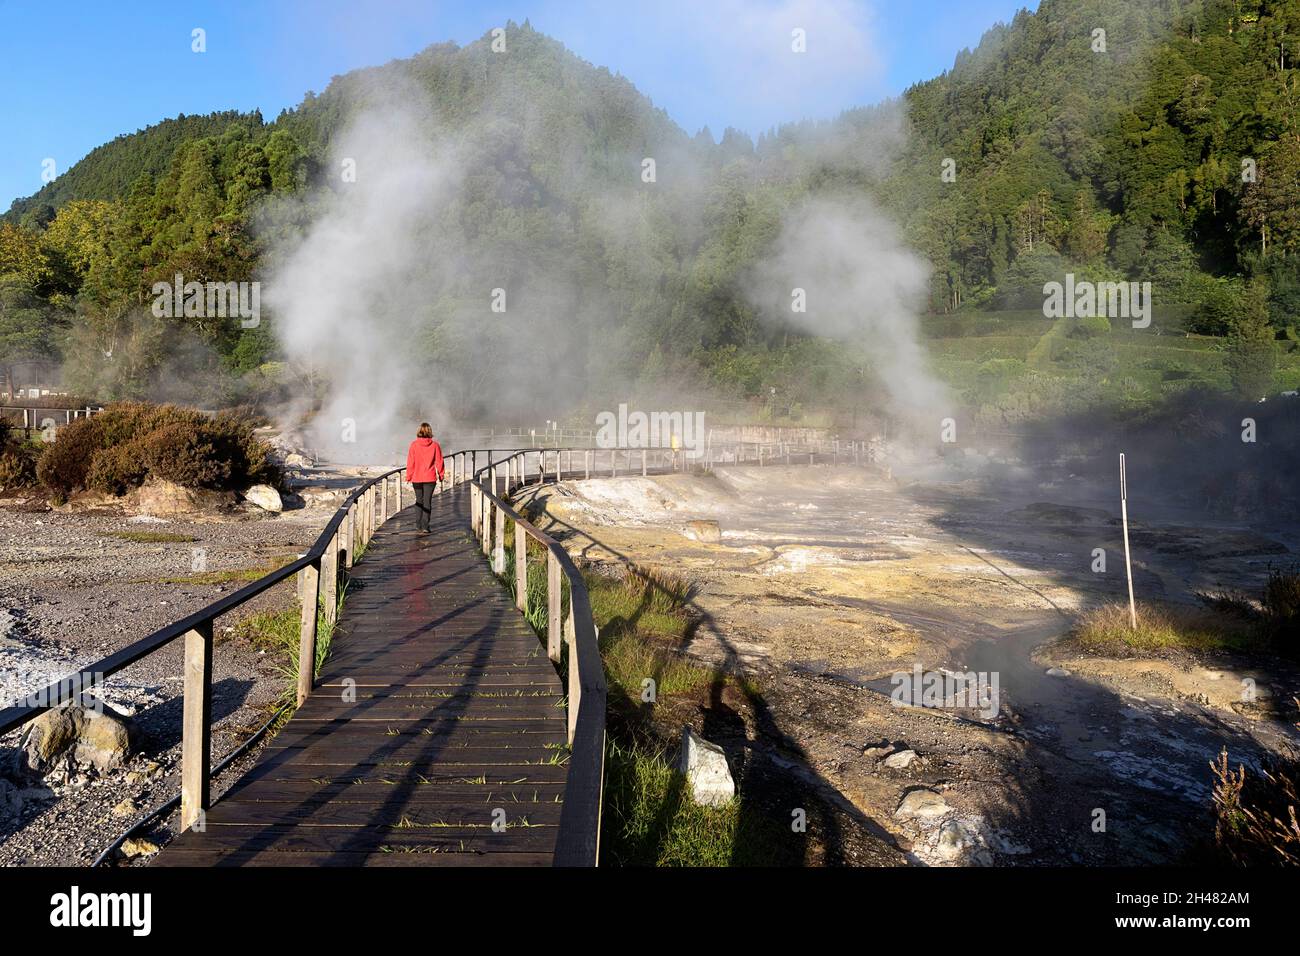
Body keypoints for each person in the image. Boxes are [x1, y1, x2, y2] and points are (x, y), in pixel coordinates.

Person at [405, 423, 445, 532]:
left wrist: (408, 476)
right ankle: (425, 526)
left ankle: (418, 525)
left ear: (419, 431)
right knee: (427, 501)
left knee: (419, 500)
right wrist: (441, 474)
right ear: (430, 431)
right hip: (430, 478)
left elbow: (410, 462)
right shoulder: (435, 445)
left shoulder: (414, 445)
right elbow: (439, 461)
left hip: (417, 478)